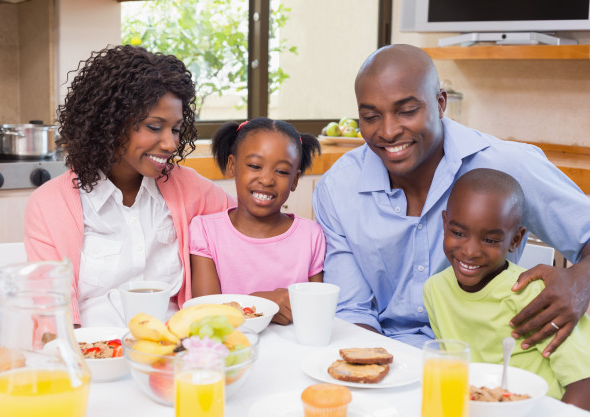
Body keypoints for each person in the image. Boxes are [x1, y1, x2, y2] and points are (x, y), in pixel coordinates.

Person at [312, 44, 590, 352]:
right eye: (371, 116)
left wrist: (580, 281)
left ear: (440, 103)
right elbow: (352, 311)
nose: (388, 131)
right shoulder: (338, 188)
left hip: (488, 361)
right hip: (384, 354)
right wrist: (379, 369)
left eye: (407, 111)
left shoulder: (507, 165)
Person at [24, 45, 235, 328]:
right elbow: (48, 314)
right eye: (154, 126)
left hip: (175, 352)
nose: (171, 144)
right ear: (110, 122)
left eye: (175, 128)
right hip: (96, 356)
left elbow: (247, 234)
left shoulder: (194, 190)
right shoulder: (49, 205)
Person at [423, 168, 590, 408]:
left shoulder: (535, 296)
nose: (470, 251)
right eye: (458, 233)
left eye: (490, 240)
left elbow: (584, 385)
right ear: (444, 223)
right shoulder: (435, 290)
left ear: (515, 239)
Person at [189, 118, 325, 325]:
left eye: (281, 171)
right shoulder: (205, 231)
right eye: (254, 166)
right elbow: (206, 312)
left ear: (295, 180)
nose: (267, 180)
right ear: (232, 166)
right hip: (230, 350)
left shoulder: (311, 235)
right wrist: (263, 302)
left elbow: (319, 310)